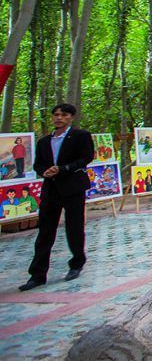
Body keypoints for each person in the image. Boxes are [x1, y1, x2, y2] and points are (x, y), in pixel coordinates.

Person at [19, 103, 95, 291]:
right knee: (45, 231)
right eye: (56, 114)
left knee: (74, 227)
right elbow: (38, 165)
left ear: (71, 117)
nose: (58, 118)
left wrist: (63, 169)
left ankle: (77, 262)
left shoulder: (80, 136)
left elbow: (86, 157)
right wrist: (44, 172)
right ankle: (37, 274)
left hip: (72, 188)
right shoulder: (44, 141)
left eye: (63, 114)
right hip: (51, 189)